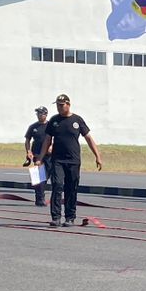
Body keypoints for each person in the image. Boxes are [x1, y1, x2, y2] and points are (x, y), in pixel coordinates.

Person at [39, 93, 104, 228]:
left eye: (61, 105)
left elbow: (89, 138)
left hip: (73, 160)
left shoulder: (77, 120)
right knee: (57, 185)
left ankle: (70, 217)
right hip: (57, 160)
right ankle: (56, 217)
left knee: (71, 188)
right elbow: (47, 140)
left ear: (68, 105)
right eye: (57, 105)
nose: (59, 108)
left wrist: (97, 156)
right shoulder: (54, 120)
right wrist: (40, 157)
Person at [25, 106, 50, 206]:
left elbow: (56, 137)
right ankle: (39, 198)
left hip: (49, 156)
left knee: (45, 177)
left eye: (41, 113)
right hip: (37, 155)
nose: (39, 115)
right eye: (38, 114)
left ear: (45, 114)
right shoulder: (33, 127)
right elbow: (27, 140)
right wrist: (28, 151)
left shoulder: (50, 126)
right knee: (37, 178)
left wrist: (52, 146)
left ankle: (41, 195)